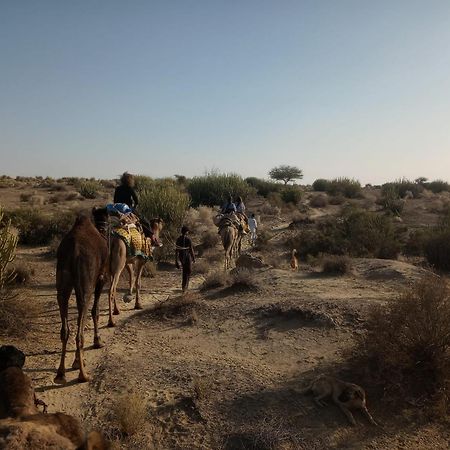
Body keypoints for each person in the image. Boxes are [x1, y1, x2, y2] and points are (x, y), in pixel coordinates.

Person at [175, 226, 196, 293]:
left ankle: (184, 286)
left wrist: (176, 260)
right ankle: (185, 287)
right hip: (187, 257)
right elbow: (191, 249)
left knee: (185, 271)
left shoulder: (178, 239)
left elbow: (176, 251)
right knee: (188, 271)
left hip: (181, 257)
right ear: (186, 232)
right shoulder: (188, 239)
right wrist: (193, 258)